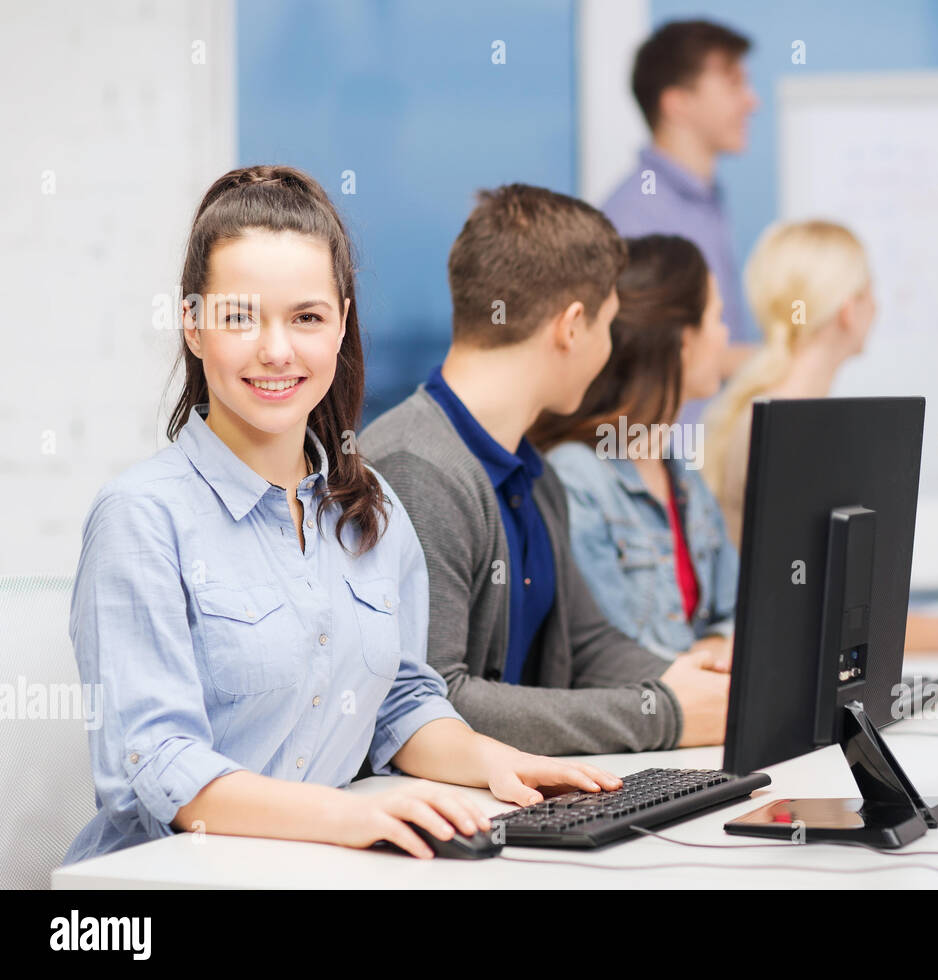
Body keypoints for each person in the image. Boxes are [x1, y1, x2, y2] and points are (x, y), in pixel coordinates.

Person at [64, 167, 620, 864]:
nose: (276, 349)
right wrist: (352, 815)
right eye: (240, 316)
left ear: (341, 326)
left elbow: (399, 706)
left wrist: (498, 764)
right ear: (194, 326)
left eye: (306, 317)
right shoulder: (141, 519)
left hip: (320, 869)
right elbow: (159, 766)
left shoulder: (373, 510)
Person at [361, 185, 729, 756]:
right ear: (572, 326)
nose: (610, 348)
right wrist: (663, 716)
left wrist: (696, 686)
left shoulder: (534, 475)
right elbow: (434, 704)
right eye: (608, 325)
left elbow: (587, 645)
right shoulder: (418, 469)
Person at [704, 219, 938, 653]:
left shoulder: (772, 413)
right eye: (869, 292)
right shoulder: (791, 430)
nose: (877, 306)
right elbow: (826, 616)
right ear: (847, 309)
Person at [532, 235, 737, 662]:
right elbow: (610, 659)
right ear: (683, 340)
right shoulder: (577, 479)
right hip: (651, 719)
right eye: (717, 318)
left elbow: (735, 612)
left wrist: (716, 649)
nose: (725, 336)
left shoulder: (681, 473)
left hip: (706, 711)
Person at [601, 19, 760, 380]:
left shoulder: (705, 203)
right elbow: (645, 359)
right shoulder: (634, 218)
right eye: (734, 84)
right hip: (668, 437)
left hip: (713, 433)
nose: (752, 100)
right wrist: (773, 361)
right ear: (677, 104)